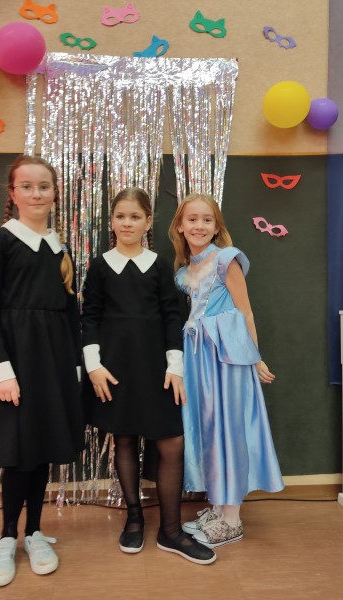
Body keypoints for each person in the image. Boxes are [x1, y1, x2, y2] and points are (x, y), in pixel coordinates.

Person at [81, 187, 216, 565]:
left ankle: (171, 530)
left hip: (158, 369)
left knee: (171, 443)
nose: (127, 223)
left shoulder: (158, 266)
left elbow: (173, 317)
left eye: (135, 217)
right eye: (120, 216)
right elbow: (89, 317)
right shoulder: (100, 266)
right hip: (114, 370)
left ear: (147, 222)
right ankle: (134, 518)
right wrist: (93, 366)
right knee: (124, 440)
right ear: (112, 221)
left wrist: (175, 366)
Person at [0, 155, 85, 587]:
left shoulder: (60, 248)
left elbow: (69, 312)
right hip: (15, 359)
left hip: (54, 361)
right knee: (15, 451)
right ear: (13, 193)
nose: (36, 193)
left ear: (55, 193)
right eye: (27, 186)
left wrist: (75, 365)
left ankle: (35, 532)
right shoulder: (1, 241)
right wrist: (1, 369)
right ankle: (7, 537)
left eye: (44, 186)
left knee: (41, 448)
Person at [168, 193, 284, 548]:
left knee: (228, 430)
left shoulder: (226, 259)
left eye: (207, 220)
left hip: (227, 358)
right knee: (208, 428)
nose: (199, 226)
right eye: (192, 219)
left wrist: (255, 357)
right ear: (180, 226)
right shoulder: (183, 273)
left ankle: (232, 519)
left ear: (217, 227)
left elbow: (245, 311)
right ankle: (218, 507)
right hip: (198, 358)